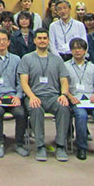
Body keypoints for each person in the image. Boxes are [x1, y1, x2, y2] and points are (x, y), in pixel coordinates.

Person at [18, 28, 71, 162]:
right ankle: (40, 146)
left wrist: (64, 95)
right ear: (34, 40)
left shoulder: (57, 60)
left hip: (53, 96)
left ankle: (60, 145)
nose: (42, 41)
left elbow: (64, 80)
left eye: (44, 38)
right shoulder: (27, 58)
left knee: (64, 107)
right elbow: (24, 82)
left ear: (48, 40)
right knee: (35, 109)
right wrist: (32, 97)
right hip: (35, 96)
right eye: (39, 38)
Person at [64, 38, 94, 161]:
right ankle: (82, 147)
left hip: (92, 98)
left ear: (85, 50)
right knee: (81, 116)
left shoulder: (93, 67)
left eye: (80, 48)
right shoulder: (65, 66)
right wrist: (70, 97)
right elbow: (63, 85)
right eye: (74, 48)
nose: (77, 51)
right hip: (76, 98)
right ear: (71, 51)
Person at [0, 30, 28, 158]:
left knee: (21, 113)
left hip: (12, 96)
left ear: (9, 42)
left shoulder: (16, 59)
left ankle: (19, 143)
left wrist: (18, 96)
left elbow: (20, 81)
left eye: (4, 39)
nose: (2, 42)